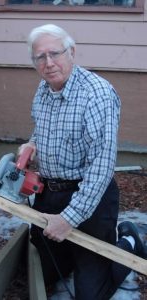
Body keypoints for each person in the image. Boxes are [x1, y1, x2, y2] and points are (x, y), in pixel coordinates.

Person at [18, 24, 147, 300]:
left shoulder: (96, 94)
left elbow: (101, 168)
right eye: (40, 57)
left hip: (91, 199)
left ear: (72, 52)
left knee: (90, 294)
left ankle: (130, 242)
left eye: (55, 53)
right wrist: (32, 144)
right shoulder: (43, 90)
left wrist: (69, 219)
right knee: (48, 272)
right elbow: (42, 129)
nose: (48, 63)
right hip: (51, 195)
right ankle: (76, 256)